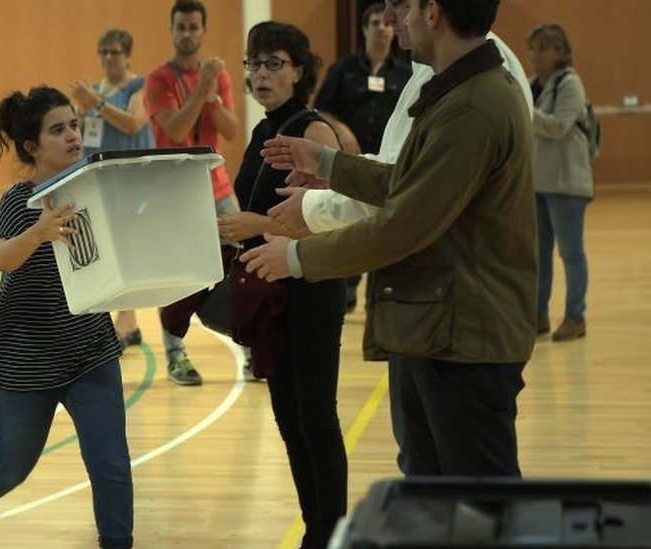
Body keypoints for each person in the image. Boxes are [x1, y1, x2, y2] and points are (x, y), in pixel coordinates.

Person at [245, 0, 535, 477]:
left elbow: (404, 224)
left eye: (404, 5)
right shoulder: (453, 88)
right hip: (440, 325)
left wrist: (296, 257)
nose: (391, 19)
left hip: (464, 336)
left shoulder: (474, 105)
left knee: (480, 507)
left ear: (434, 12)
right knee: (429, 494)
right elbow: (409, 179)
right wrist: (327, 163)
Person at [0, 86, 132, 549]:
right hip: (24, 354)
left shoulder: (95, 186)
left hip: (89, 346)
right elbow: (2, 258)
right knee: (12, 465)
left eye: (74, 126)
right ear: (32, 146)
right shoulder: (18, 199)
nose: (72, 136)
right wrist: (39, 232)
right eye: (58, 129)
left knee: (110, 461)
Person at [215, 21, 347, 547]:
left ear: (299, 70)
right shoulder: (263, 130)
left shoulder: (314, 133)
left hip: (312, 285)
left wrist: (256, 226)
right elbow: (250, 204)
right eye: (253, 63)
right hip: (271, 289)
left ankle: (331, 533)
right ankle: (314, 528)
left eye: (273, 63)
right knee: (289, 418)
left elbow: (336, 215)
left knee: (316, 417)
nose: (260, 73)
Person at [144, 0, 243, 385]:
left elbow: (232, 130)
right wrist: (203, 88)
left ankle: (250, 346)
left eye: (193, 27)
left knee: (242, 265)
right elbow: (176, 130)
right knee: (174, 274)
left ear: (204, 31)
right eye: (181, 27)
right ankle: (176, 356)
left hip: (217, 187)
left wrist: (212, 93)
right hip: (174, 193)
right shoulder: (158, 80)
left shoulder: (219, 77)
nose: (187, 34)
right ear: (171, 31)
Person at [313, 2, 411, 312]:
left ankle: (377, 297)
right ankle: (348, 291)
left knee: (383, 228)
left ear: (393, 30)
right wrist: (341, 129)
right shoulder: (343, 70)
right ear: (365, 29)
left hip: (389, 167)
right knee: (352, 225)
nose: (381, 28)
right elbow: (321, 108)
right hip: (352, 166)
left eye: (386, 25)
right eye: (374, 23)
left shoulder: (407, 73)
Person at [69, 28, 154, 350]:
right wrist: (79, 110)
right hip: (98, 182)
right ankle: (113, 322)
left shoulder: (139, 87)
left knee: (125, 250)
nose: (108, 58)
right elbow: (80, 133)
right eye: (103, 51)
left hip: (130, 182)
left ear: (128, 55)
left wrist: (97, 103)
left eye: (115, 52)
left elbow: (134, 123)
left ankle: (127, 321)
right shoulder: (92, 91)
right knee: (101, 250)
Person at [527, 23, 592, 342]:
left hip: (567, 185)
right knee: (539, 254)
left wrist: (522, 109)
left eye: (543, 47)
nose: (534, 53)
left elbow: (558, 127)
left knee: (571, 253)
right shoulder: (530, 85)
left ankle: (575, 316)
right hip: (537, 183)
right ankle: (538, 315)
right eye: (533, 47)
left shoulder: (571, 84)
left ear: (561, 52)